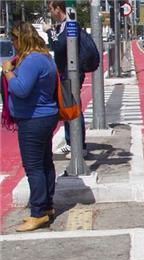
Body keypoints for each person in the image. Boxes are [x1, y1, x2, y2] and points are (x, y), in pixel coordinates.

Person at [2, 22, 59, 232]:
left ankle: (38, 213)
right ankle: (47, 206)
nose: (13, 44)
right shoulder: (43, 56)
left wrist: (8, 72)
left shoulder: (32, 60)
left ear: (22, 39)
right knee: (44, 164)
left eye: (14, 40)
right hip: (44, 116)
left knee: (34, 167)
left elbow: (21, 89)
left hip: (34, 119)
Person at [44, 0, 87, 157]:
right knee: (68, 105)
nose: (50, 13)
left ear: (57, 9)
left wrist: (49, 32)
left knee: (73, 106)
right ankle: (72, 142)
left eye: (51, 9)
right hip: (66, 72)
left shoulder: (70, 24)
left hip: (71, 72)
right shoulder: (64, 25)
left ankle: (78, 145)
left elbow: (59, 46)